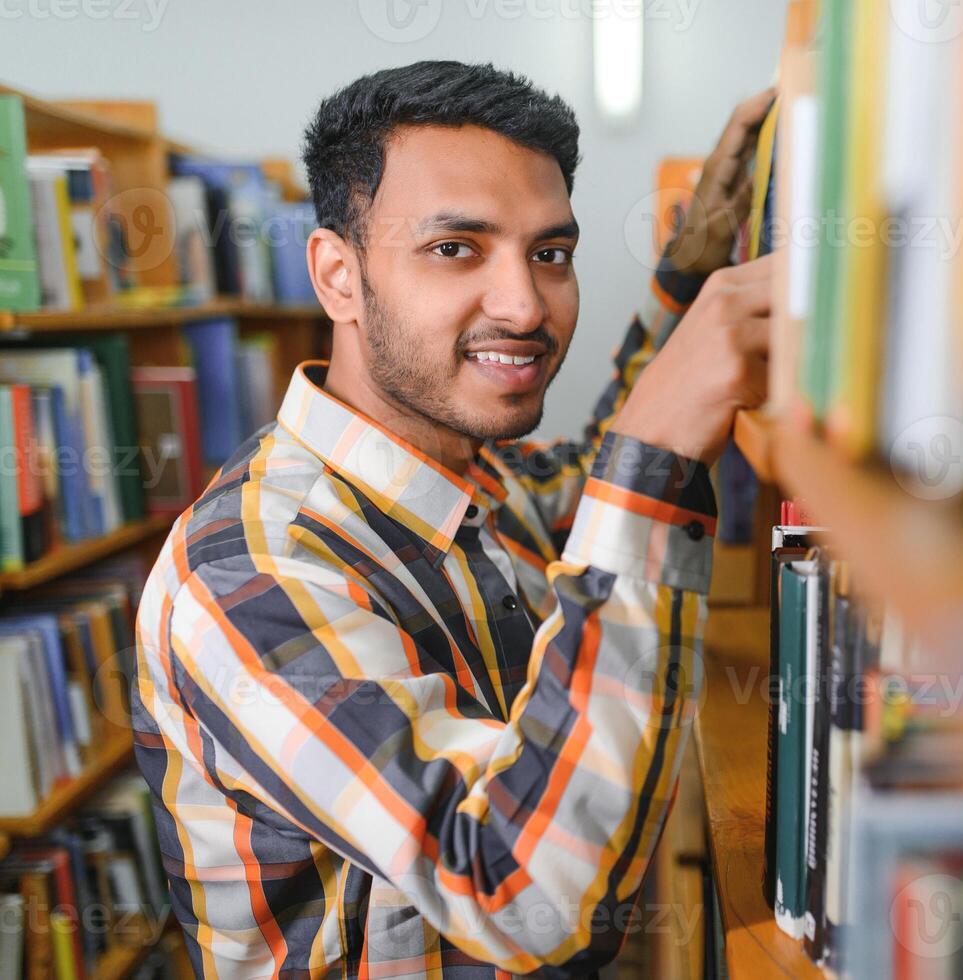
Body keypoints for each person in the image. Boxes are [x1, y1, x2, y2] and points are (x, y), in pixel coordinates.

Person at [132, 60, 774, 978]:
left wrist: (696, 262)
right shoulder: (251, 574)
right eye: (455, 249)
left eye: (549, 254)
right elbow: (518, 892)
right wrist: (656, 453)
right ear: (338, 277)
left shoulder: (475, 475)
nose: (524, 306)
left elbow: (593, 474)